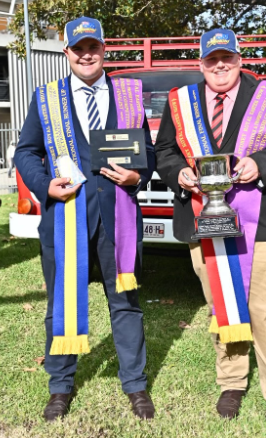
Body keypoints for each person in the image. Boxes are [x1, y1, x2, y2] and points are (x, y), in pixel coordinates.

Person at [154, 28, 266, 438]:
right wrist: (179, 173)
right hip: (202, 216)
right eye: (211, 59)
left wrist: (261, 162)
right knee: (221, 302)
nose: (219, 65)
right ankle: (231, 382)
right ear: (201, 63)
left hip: (262, 222)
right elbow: (165, 152)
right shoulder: (181, 101)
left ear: (239, 60)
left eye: (227, 58)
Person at [15, 17, 155, 422]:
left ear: (104, 50)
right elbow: (25, 151)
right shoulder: (46, 97)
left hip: (119, 218)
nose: (86, 54)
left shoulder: (129, 94)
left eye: (93, 46)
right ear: (67, 53)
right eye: (79, 48)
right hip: (64, 218)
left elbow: (144, 148)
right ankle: (60, 386)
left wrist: (138, 176)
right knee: (60, 303)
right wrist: (45, 185)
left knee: (126, 303)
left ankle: (136, 385)